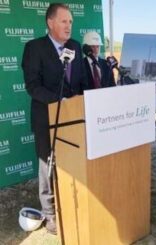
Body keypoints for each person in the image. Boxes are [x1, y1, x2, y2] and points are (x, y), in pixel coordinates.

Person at [21, 3, 86, 234]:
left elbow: (82, 82)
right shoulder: (34, 48)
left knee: (74, 163)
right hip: (46, 118)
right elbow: (32, 86)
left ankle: (73, 201)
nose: (69, 26)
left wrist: (82, 103)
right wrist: (59, 102)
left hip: (75, 119)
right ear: (50, 23)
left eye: (71, 22)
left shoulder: (76, 47)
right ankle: (50, 214)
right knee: (47, 164)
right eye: (64, 21)